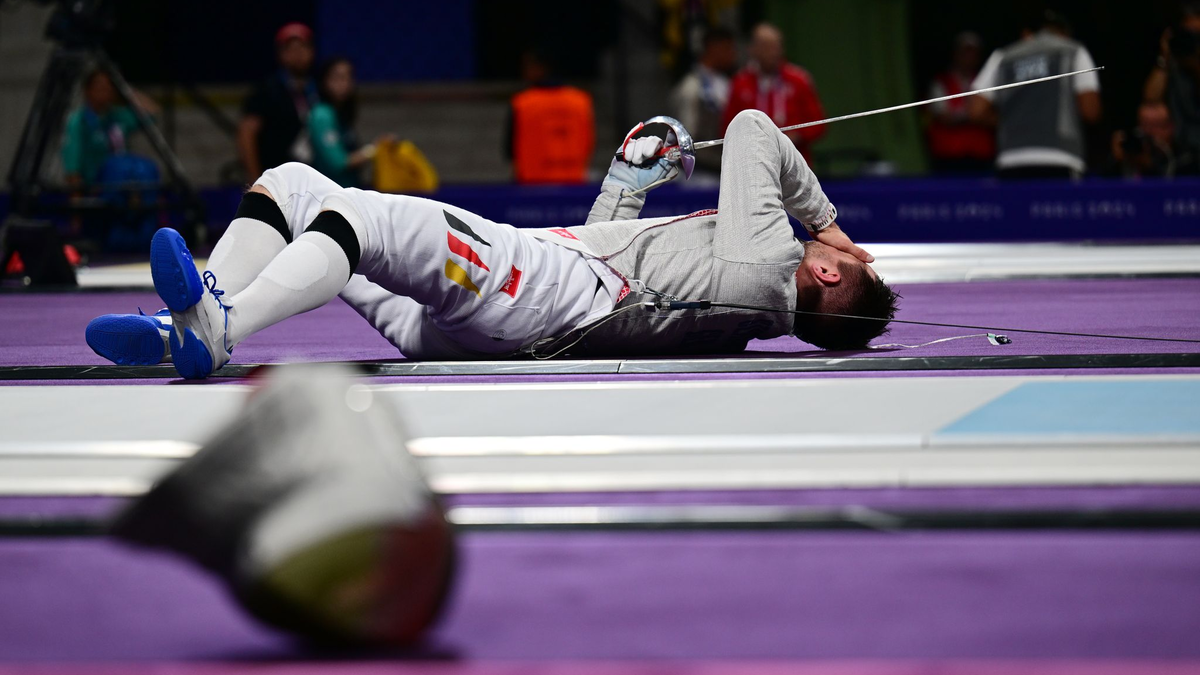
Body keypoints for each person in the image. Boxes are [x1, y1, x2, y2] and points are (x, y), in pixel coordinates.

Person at [84, 109, 898, 378]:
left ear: (825, 270)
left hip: (527, 289)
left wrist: (829, 224)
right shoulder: (746, 296)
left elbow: (754, 130)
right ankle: (178, 329)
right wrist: (626, 180)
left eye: (832, 257)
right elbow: (610, 257)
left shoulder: (767, 266)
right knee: (295, 186)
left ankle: (217, 331)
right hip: (522, 302)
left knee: (361, 220)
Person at [968, 11, 1101, 179]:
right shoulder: (1074, 51)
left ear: (1026, 34)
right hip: (1060, 157)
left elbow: (976, 110)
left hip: (1012, 159)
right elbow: (1091, 111)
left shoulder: (1003, 56)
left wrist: (1013, 121)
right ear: (1064, 34)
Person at [722, 23, 826, 158]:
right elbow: (728, 128)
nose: (773, 52)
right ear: (752, 49)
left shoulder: (799, 80)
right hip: (754, 162)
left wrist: (797, 135)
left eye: (776, 46)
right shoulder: (739, 83)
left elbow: (818, 124)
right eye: (766, 47)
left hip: (795, 160)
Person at [238, 22, 318, 184]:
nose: (298, 54)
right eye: (291, 49)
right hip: (277, 181)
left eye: (303, 47)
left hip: (313, 179)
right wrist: (256, 181)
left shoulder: (320, 89)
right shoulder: (266, 91)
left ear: (312, 51)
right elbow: (246, 134)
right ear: (281, 54)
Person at [504, 49, 595, 184]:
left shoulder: (522, 103)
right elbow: (590, 141)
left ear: (541, 67)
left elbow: (509, 149)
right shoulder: (581, 101)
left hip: (532, 186)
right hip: (574, 184)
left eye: (528, 65)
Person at [308, 57, 393, 188]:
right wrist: (374, 150)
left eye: (348, 77)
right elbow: (338, 163)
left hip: (349, 189)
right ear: (324, 81)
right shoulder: (322, 115)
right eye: (338, 77)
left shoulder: (341, 112)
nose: (345, 83)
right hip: (330, 193)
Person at [670, 26, 738, 174]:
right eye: (728, 49)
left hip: (723, 167)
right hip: (700, 172)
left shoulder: (727, 83)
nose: (733, 54)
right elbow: (686, 139)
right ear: (714, 48)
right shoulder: (691, 88)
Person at [925, 32, 995, 174]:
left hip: (981, 158)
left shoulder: (986, 80)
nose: (969, 58)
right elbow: (944, 117)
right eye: (965, 52)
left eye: (973, 53)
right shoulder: (941, 82)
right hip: (949, 158)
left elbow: (995, 116)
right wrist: (974, 115)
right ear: (956, 54)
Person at [1143, 1, 1200, 173]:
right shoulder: (1174, 64)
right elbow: (1151, 98)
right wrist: (1164, 57)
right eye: (1188, 34)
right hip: (1183, 155)